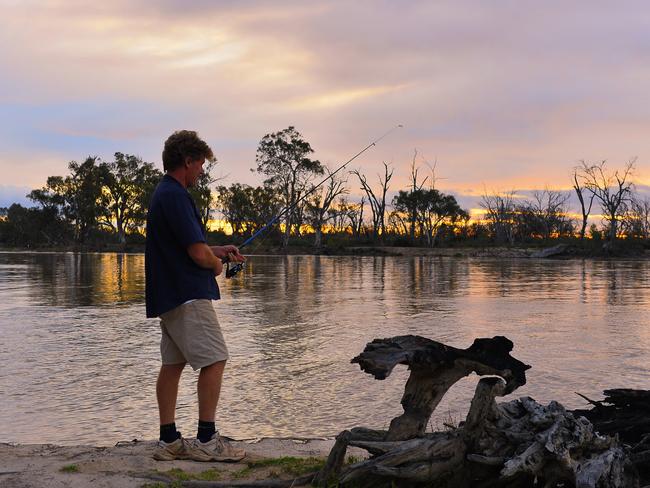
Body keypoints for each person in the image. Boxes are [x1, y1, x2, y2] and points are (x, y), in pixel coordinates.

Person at [145, 130, 246, 462]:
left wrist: (217, 249)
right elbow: (199, 256)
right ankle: (206, 439)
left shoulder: (165, 193)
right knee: (215, 359)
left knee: (172, 365)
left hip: (169, 295)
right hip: (187, 295)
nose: (202, 170)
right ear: (187, 161)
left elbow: (190, 246)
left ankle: (169, 440)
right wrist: (216, 264)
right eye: (200, 164)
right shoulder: (175, 196)